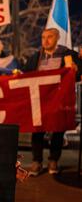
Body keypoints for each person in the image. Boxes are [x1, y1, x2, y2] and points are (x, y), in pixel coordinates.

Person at [23, 28, 82, 176]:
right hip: (40, 100)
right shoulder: (36, 57)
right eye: (43, 37)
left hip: (60, 100)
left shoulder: (69, 55)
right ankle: (37, 161)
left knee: (58, 130)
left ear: (57, 38)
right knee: (37, 130)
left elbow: (78, 74)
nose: (45, 40)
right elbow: (25, 75)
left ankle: (53, 160)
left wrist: (76, 70)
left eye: (49, 37)